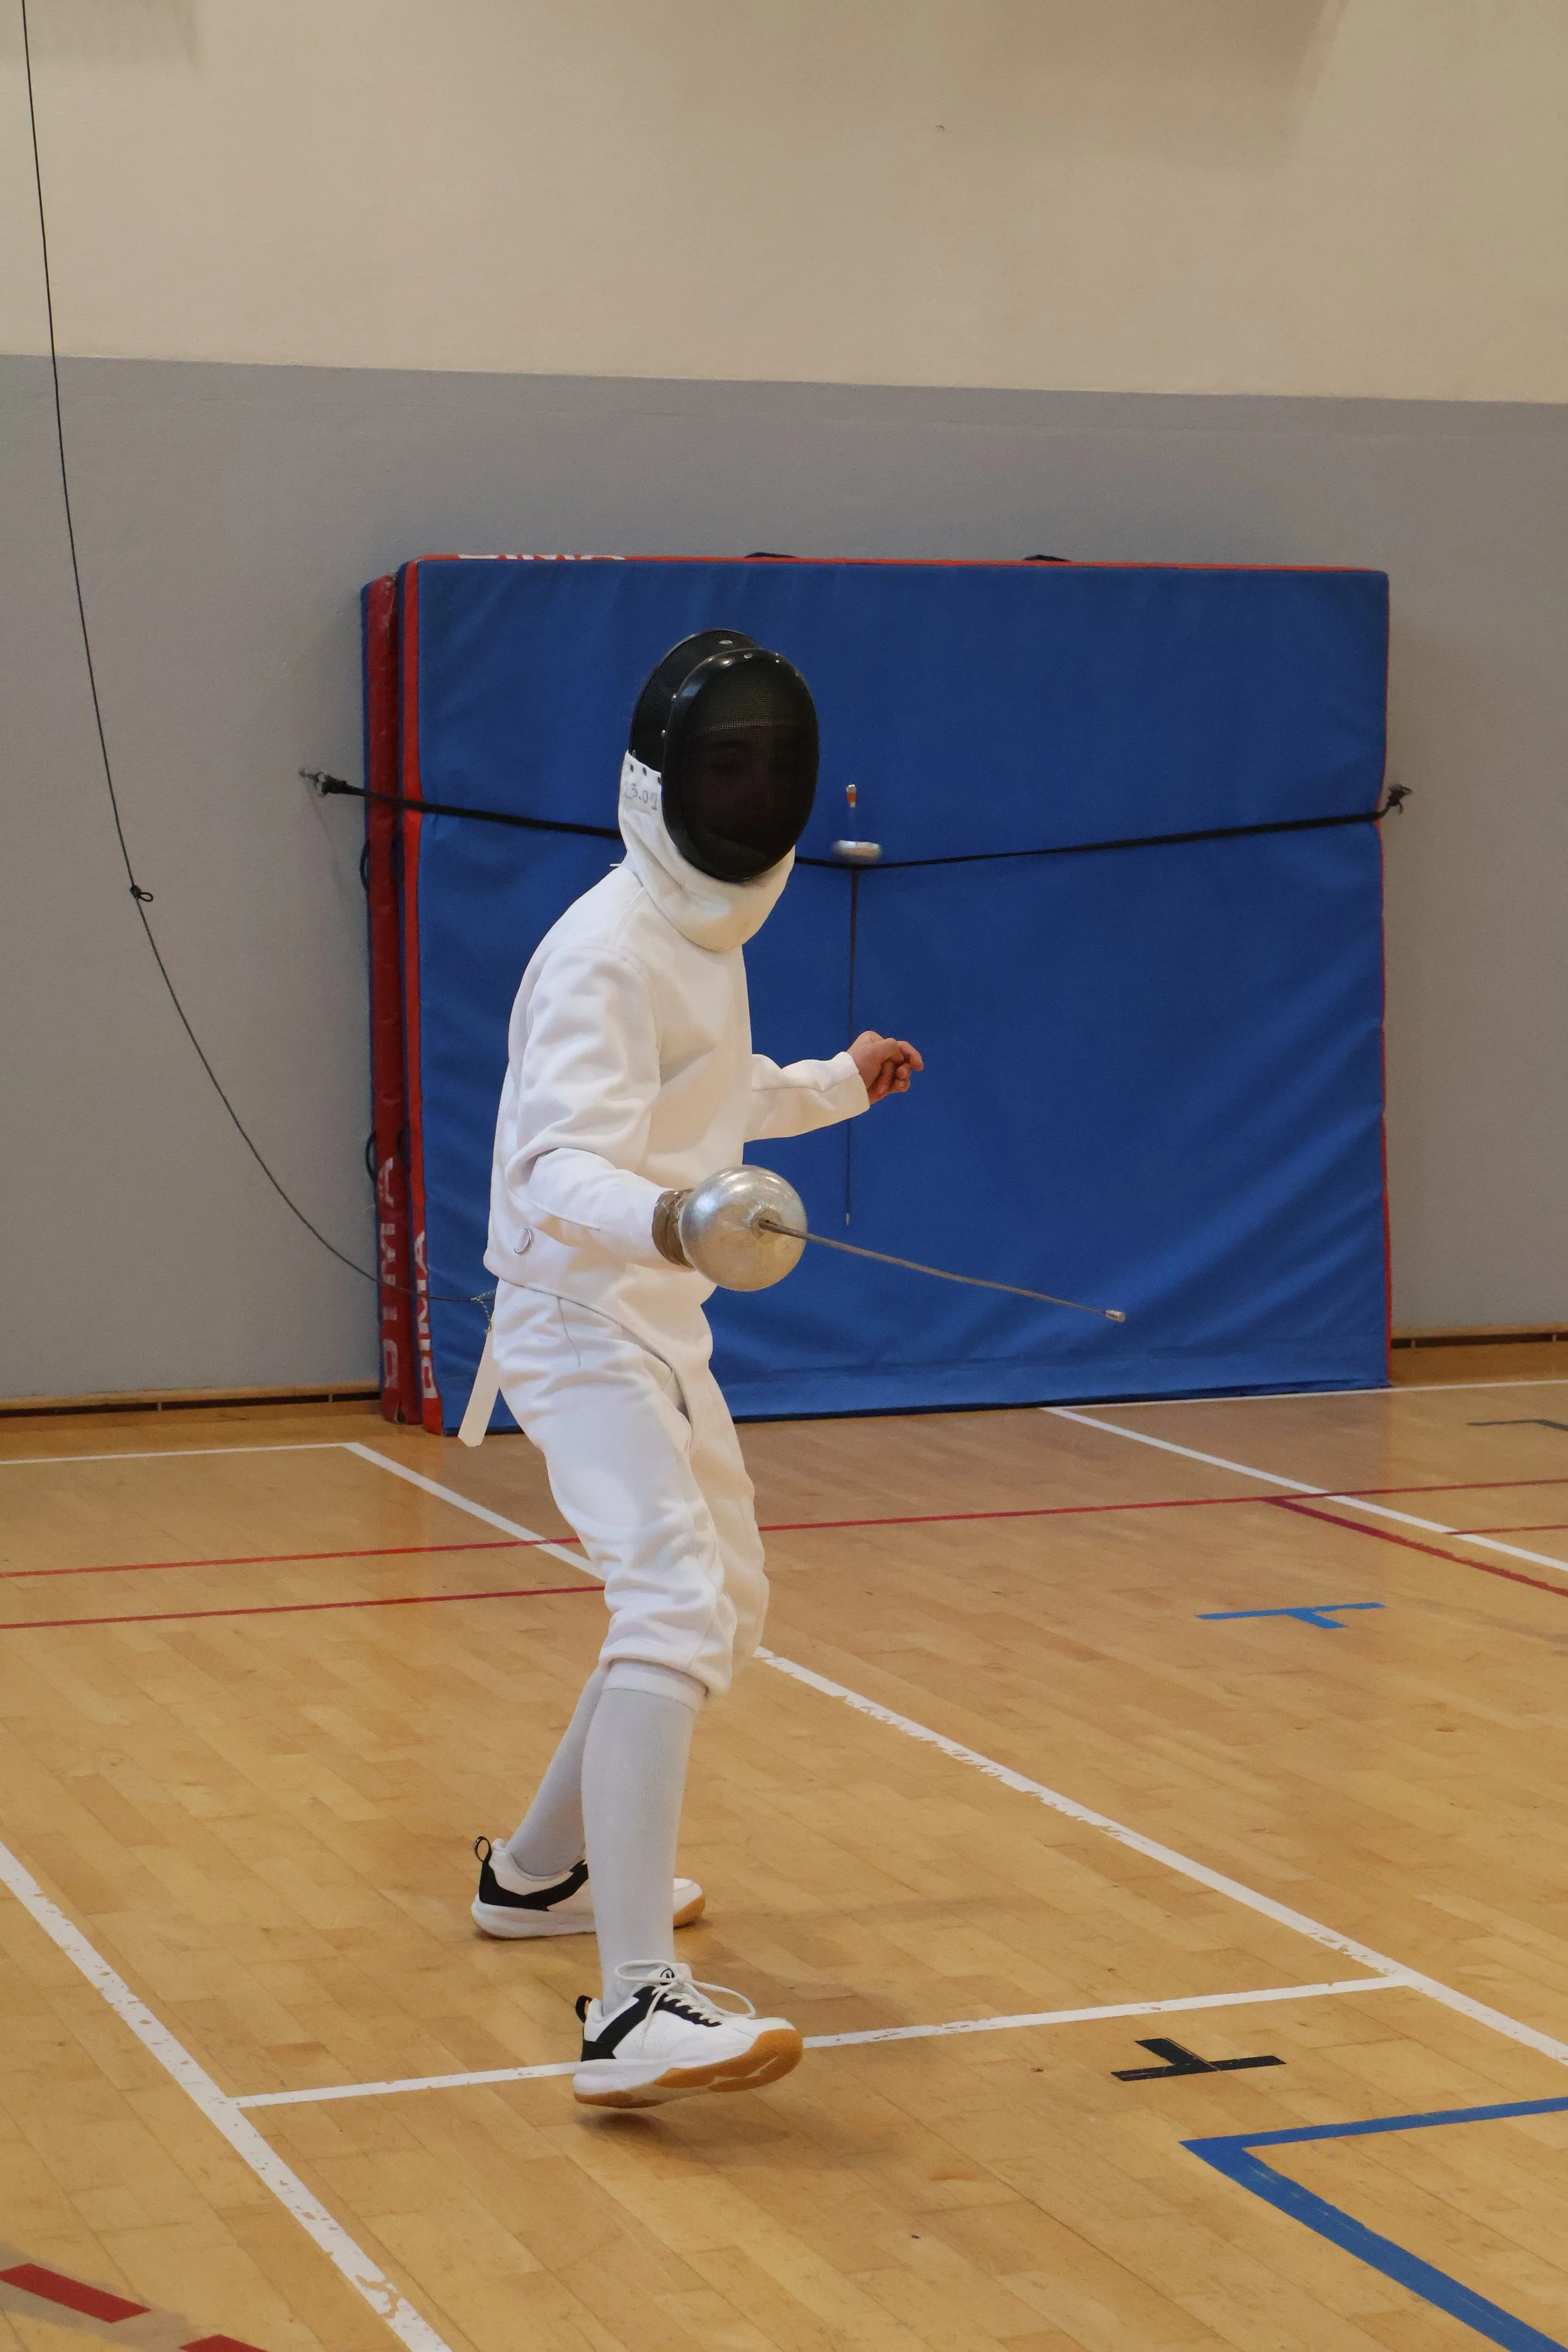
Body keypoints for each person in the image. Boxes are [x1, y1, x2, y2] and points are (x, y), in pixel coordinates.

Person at [470, 628, 921, 2109]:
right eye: (722, 763)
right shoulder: (602, 951)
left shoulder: (703, 940)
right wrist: (668, 1218)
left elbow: (702, 1104)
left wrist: (831, 1088)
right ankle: (628, 2011)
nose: (749, 789)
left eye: (768, 765)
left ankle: (536, 1875)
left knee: (719, 1604)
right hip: (576, 1316)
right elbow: (553, 1169)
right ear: (661, 781)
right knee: (667, 1598)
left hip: (655, 1321)